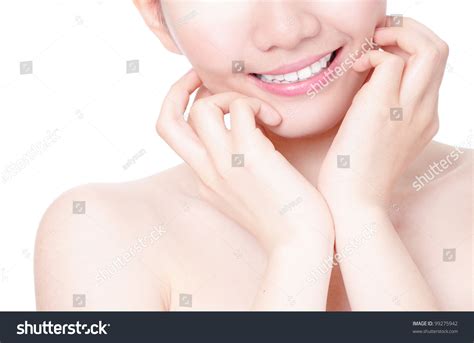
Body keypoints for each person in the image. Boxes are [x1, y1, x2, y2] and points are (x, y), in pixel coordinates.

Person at [35, 0, 472, 311]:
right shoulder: (99, 231)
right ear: (158, 16)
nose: (287, 29)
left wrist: (360, 213)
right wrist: (298, 246)